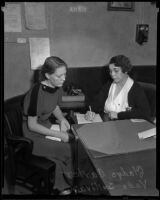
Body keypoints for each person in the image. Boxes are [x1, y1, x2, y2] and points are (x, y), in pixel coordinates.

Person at [22, 56, 74, 195]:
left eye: (65, 74)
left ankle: (62, 184)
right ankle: (70, 182)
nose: (63, 78)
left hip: (45, 125)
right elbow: (32, 125)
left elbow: (54, 106)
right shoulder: (36, 93)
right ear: (47, 75)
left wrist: (62, 119)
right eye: (59, 76)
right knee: (69, 149)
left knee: (69, 145)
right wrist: (59, 135)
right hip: (32, 133)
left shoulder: (56, 86)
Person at [85, 55, 151, 121]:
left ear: (125, 70)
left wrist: (118, 115)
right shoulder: (109, 84)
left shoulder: (136, 89)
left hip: (126, 126)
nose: (112, 74)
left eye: (116, 71)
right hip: (106, 122)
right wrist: (90, 112)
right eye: (110, 71)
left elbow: (145, 113)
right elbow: (97, 103)